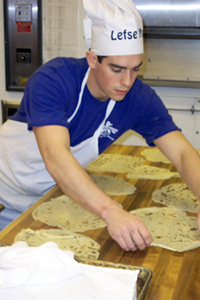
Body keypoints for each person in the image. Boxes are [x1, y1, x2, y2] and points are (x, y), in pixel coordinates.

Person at [0, 0, 200, 252]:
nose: (127, 81)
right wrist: (112, 212)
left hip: (55, 196)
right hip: (5, 194)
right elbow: (55, 155)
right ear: (92, 59)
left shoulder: (139, 98)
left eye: (135, 69)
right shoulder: (53, 80)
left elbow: (182, 153)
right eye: (117, 69)